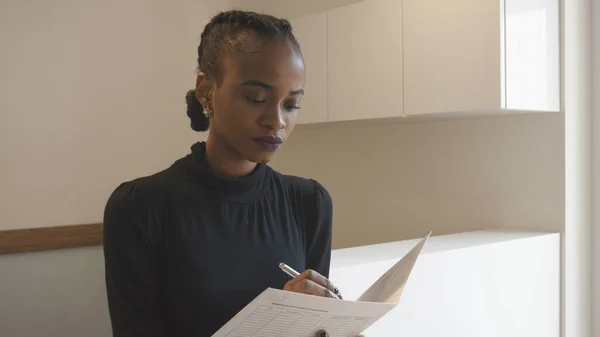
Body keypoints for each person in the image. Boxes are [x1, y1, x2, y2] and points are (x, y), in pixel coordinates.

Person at [102, 9, 366, 337]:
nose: (276, 120)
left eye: (290, 105)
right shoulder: (140, 207)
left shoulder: (309, 203)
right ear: (206, 91)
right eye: (256, 98)